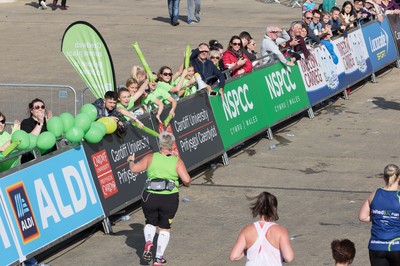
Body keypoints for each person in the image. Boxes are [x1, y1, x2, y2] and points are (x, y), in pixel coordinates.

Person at [127, 131, 191, 266]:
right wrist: (184, 183)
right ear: (172, 145)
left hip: (149, 196)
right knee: (164, 228)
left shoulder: (150, 157)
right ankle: (158, 258)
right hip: (169, 198)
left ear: (159, 144)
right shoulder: (177, 161)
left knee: (150, 222)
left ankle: (149, 241)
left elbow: (134, 169)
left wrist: (131, 161)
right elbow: (187, 180)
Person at [230, 191, 294, 265]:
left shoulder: (247, 230)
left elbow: (234, 256)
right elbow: (289, 257)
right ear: (274, 208)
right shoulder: (281, 231)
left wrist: (246, 251)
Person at [359, 164, 400, 266]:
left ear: (383, 177)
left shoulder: (375, 194)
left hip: (376, 246)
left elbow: (362, 217)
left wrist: (379, 217)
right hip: (396, 246)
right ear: (399, 177)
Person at [20, 98, 53, 163]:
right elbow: (30, 139)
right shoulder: (26, 122)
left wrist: (50, 124)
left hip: (48, 157)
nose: (40, 109)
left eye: (42, 107)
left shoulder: (48, 120)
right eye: (37, 107)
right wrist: (40, 123)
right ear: (32, 110)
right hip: (31, 159)